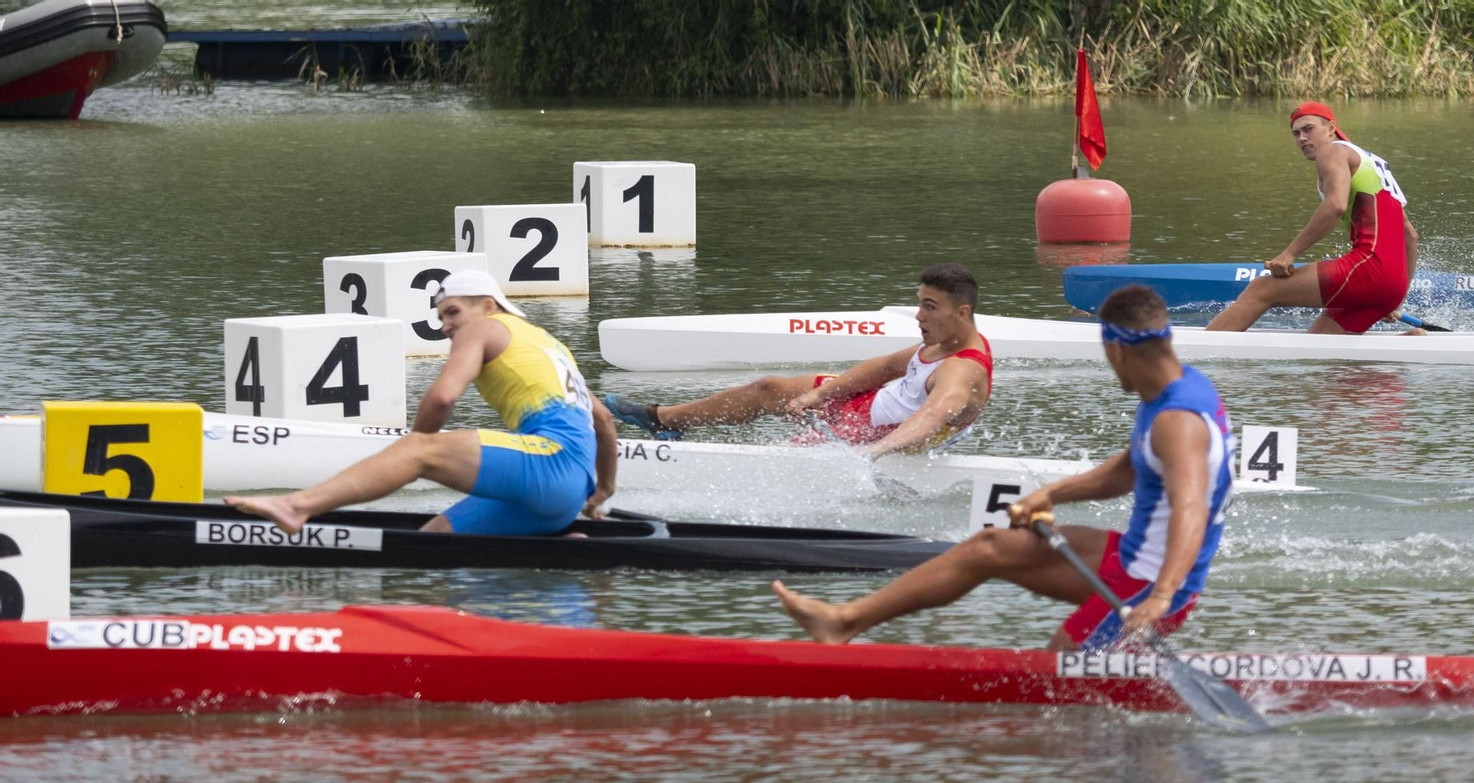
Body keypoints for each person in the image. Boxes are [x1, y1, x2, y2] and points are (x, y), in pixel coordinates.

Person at [774, 285, 1233, 651]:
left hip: (1151, 583)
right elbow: (1130, 468)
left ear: (1116, 350)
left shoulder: (1177, 421)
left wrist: (1160, 598)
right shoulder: (1185, 384)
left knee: (1055, 682)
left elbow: (1190, 509)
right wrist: (1050, 495)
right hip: (1129, 556)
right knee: (989, 546)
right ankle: (843, 620)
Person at [226, 270, 617, 536]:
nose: (445, 325)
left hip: (549, 461)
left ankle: (296, 507)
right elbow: (603, 422)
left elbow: (444, 396)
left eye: (451, 312)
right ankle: (565, 548)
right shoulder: (550, 345)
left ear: (487, 305)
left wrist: (412, 452)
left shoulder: (482, 328)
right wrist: (602, 491)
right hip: (567, 492)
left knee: (418, 449)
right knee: (434, 539)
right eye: (441, 317)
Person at [605, 263, 992, 459]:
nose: (919, 316)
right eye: (918, 304)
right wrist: (820, 396)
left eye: (929, 307)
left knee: (784, 456)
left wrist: (870, 455)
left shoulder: (962, 371)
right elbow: (885, 367)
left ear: (961, 312)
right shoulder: (943, 340)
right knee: (769, 388)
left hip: (868, 435)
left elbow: (931, 417)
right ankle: (662, 420)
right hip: (864, 406)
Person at [1208, 101, 1420, 334]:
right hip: (1394, 280)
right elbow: (1410, 235)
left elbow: (1336, 205)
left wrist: (1290, 253)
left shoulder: (1333, 151)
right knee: (1321, 345)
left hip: (1368, 267)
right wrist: (1394, 294)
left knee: (1262, 289)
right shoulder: (1368, 162)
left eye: (1308, 129)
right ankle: (1413, 340)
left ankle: (1190, 360)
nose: (1301, 138)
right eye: (1296, 133)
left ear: (1331, 128)